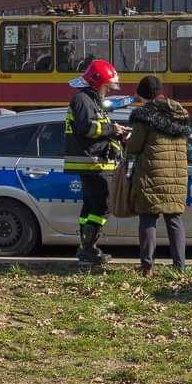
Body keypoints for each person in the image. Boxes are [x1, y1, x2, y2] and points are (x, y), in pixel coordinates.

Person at [126, 75, 192, 275]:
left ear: (144, 95)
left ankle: (147, 266)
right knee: (174, 220)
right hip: (177, 175)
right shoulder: (180, 113)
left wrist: (126, 139)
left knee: (148, 219)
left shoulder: (145, 115)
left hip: (152, 173)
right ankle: (180, 267)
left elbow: (135, 146)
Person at [65, 59, 129, 265]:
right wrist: (112, 130)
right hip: (92, 162)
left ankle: (86, 246)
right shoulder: (83, 100)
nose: (108, 91)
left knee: (91, 206)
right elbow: (87, 128)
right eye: (106, 86)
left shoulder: (90, 100)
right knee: (103, 205)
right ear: (97, 82)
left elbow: (96, 126)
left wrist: (115, 130)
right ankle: (88, 247)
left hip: (94, 161)